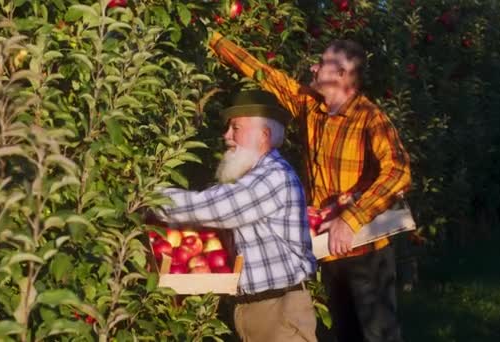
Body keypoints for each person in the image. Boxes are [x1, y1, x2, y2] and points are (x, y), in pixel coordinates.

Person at [208, 33, 411, 342]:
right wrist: (213, 39)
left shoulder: (370, 119)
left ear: (342, 75)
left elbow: (398, 172)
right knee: (344, 333)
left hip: (366, 253)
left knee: (377, 335)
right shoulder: (310, 106)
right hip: (328, 249)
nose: (313, 69)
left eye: (322, 64)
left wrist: (350, 217)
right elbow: (266, 74)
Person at [156, 90, 317, 342]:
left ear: (263, 135)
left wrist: (151, 197)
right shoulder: (251, 176)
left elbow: (215, 208)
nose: (226, 136)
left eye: (235, 128)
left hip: (279, 309)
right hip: (255, 307)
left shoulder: (273, 176)